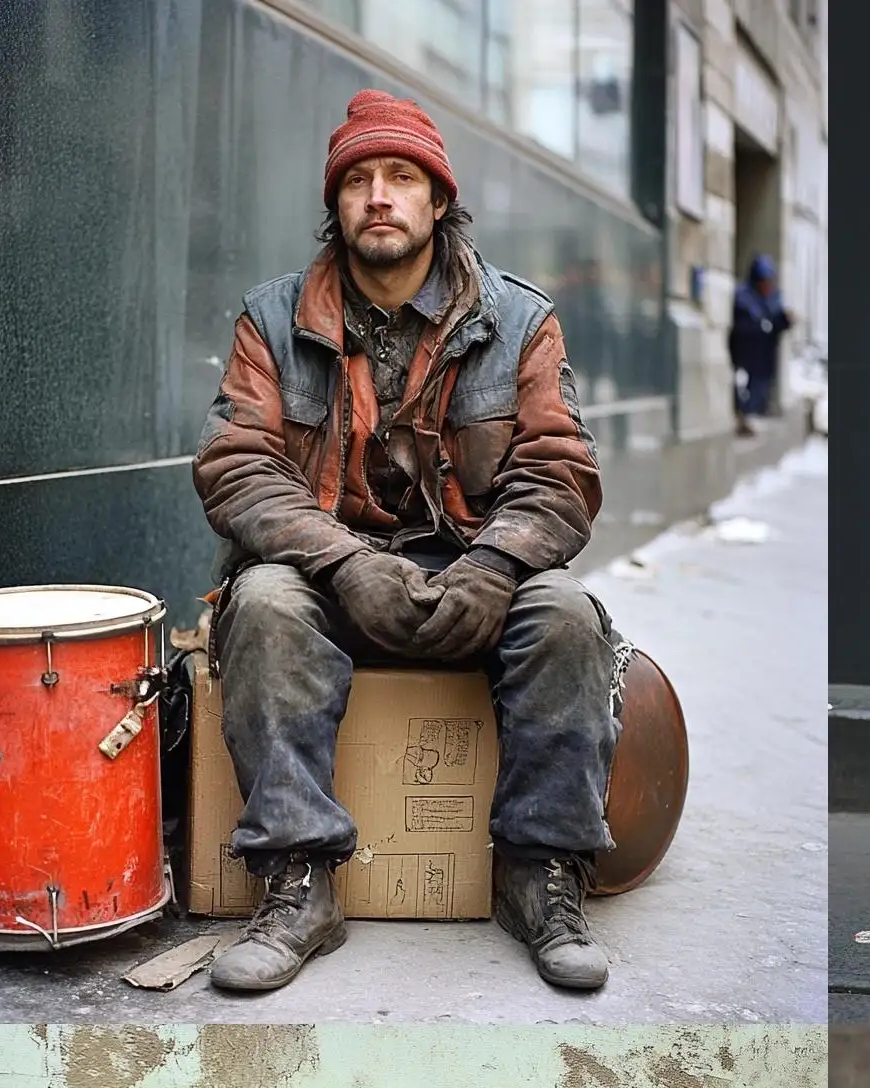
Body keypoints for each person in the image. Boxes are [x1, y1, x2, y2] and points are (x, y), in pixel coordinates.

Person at [195, 91, 621, 996]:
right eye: (357, 180)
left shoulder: (518, 320)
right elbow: (237, 467)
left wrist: (495, 567)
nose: (378, 196)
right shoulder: (271, 320)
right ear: (335, 204)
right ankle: (298, 883)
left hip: (472, 567)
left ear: (438, 201)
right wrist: (344, 561)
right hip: (327, 571)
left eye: (400, 177)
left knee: (567, 615)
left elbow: (561, 474)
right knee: (264, 600)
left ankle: (538, 874)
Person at [729, 254, 791, 430]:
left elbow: (777, 321)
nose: (767, 285)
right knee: (745, 390)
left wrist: (785, 320)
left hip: (765, 356)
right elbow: (741, 325)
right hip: (746, 355)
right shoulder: (743, 296)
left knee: (761, 389)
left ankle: (755, 415)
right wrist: (761, 326)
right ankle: (745, 418)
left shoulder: (772, 297)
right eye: (763, 281)